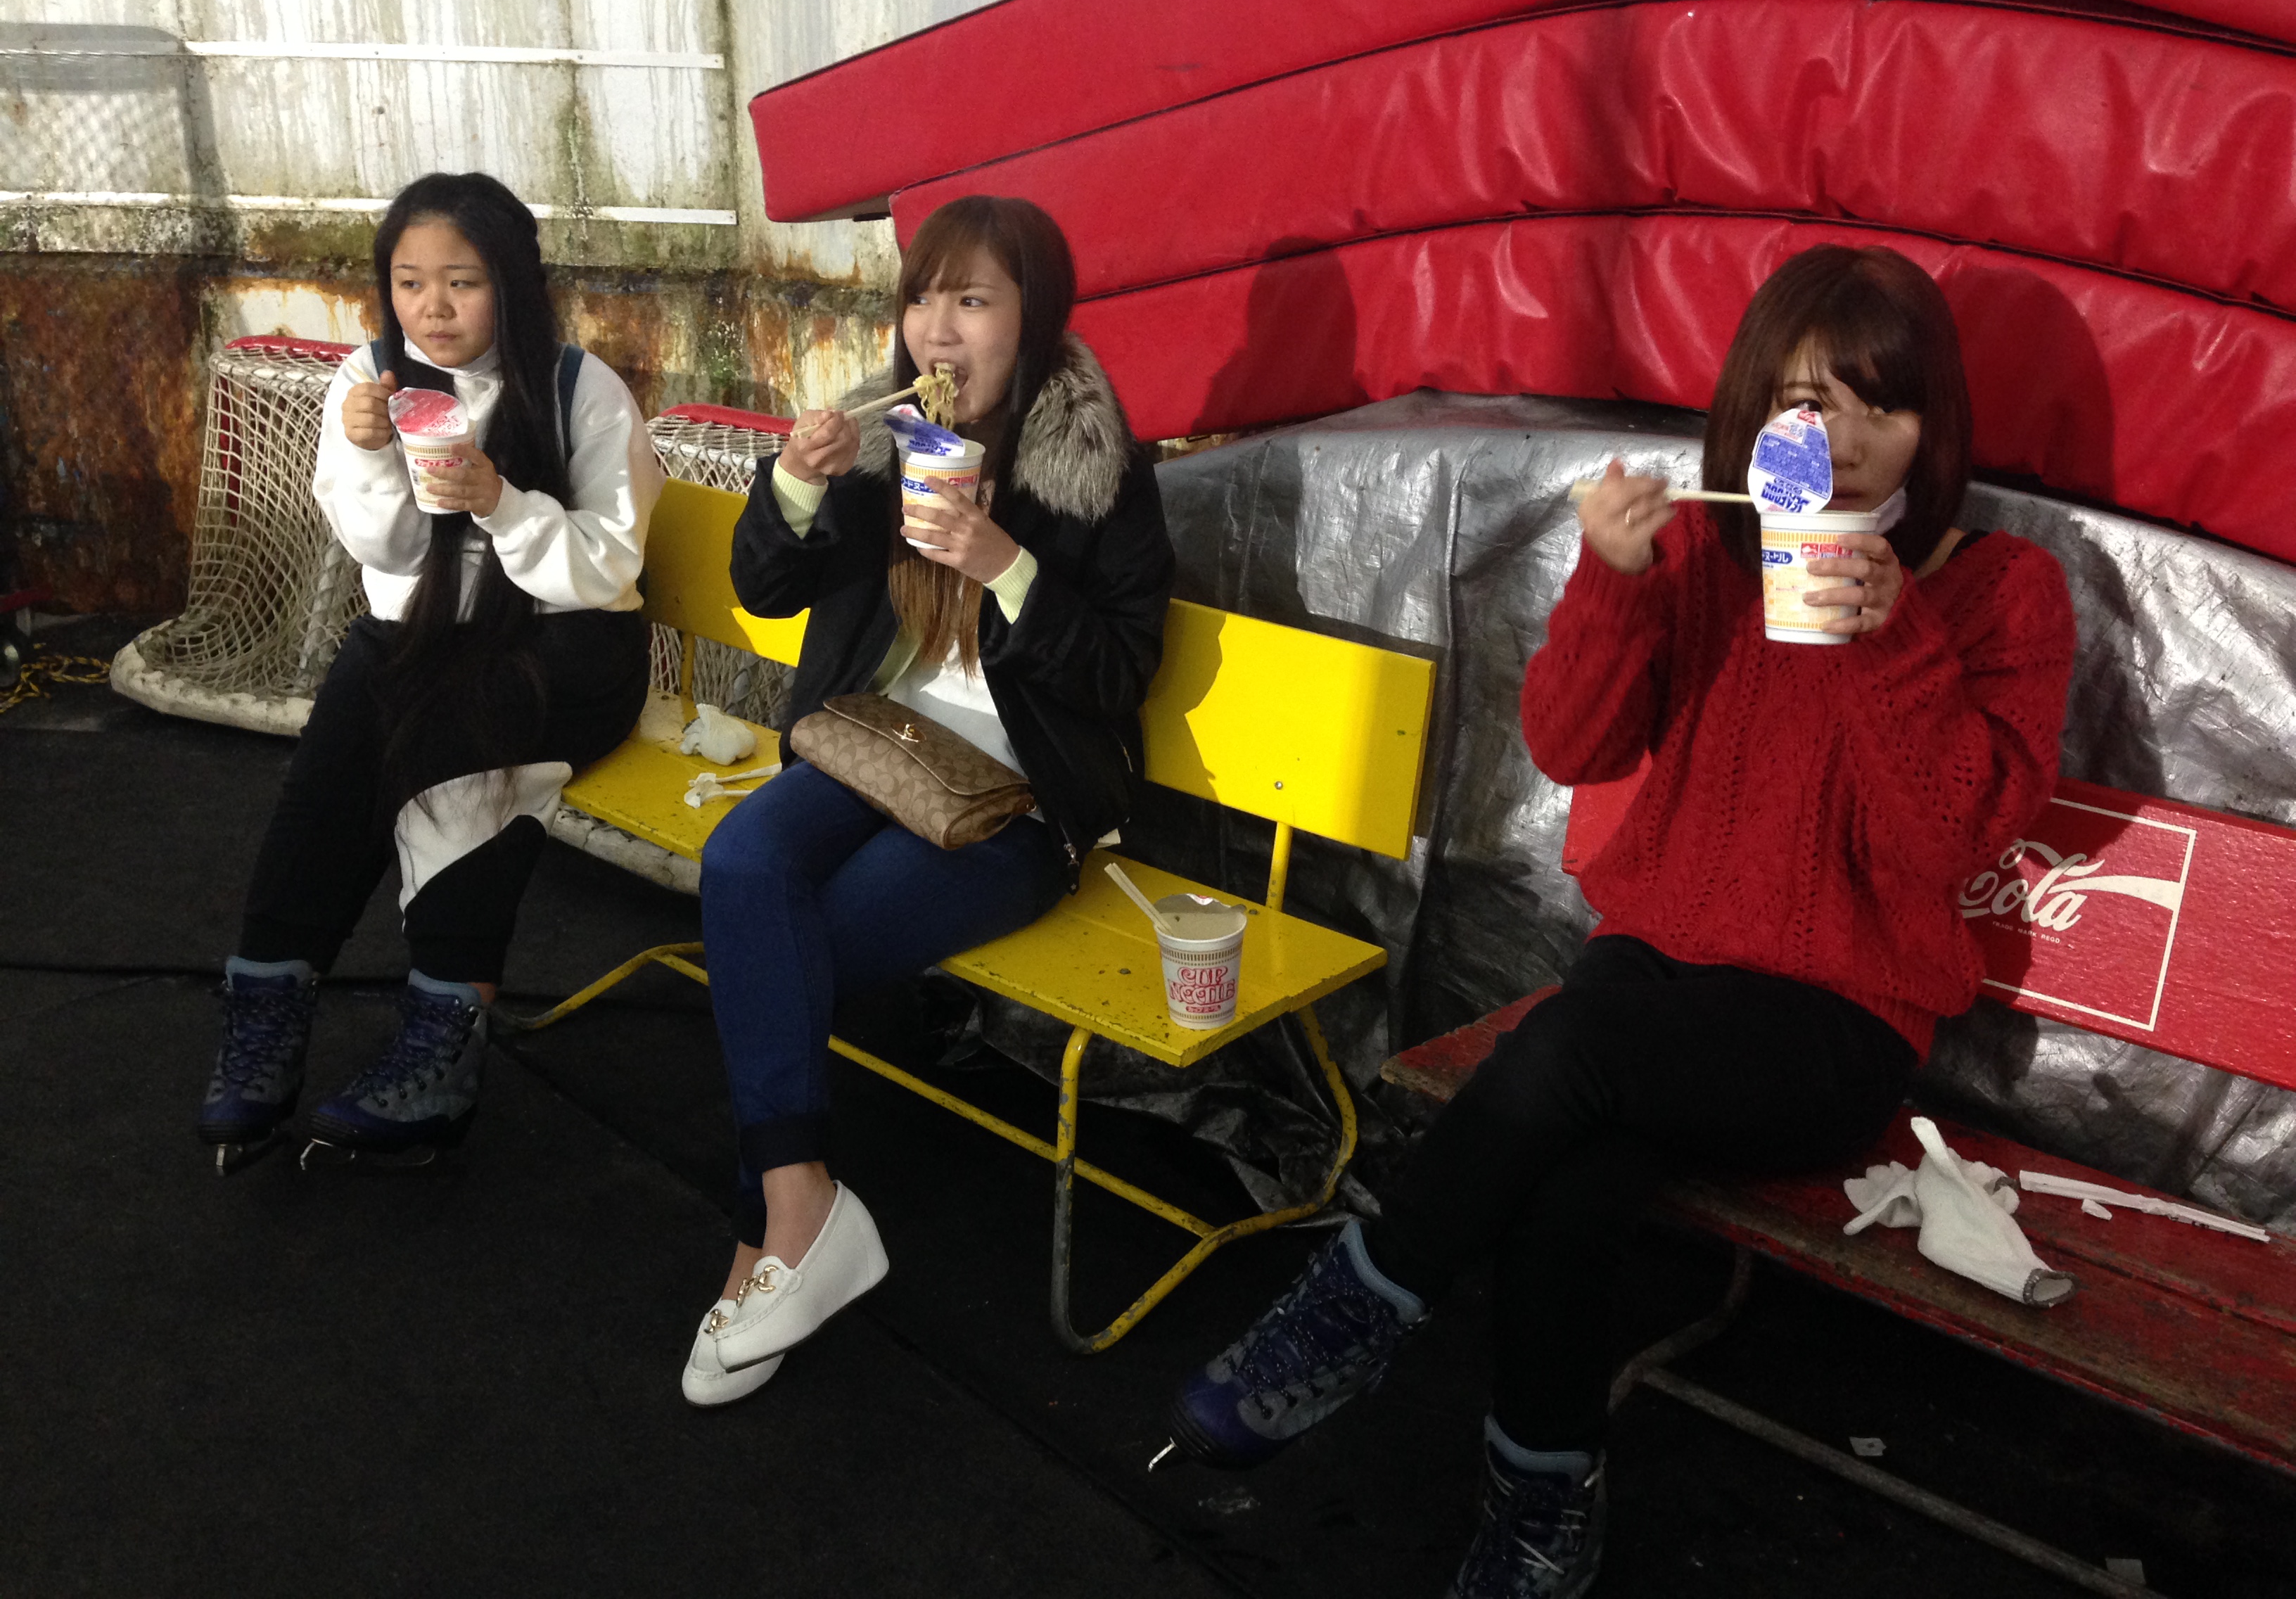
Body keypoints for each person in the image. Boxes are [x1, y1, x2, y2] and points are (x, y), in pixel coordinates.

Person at [1163, 245, 2077, 1598]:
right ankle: (1543, 1508)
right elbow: (1572, 745)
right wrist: (1610, 578)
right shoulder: (1702, 554)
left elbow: (1958, 838)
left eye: (1884, 407)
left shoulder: (2000, 591)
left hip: (1836, 1024)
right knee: (1568, 1190)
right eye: (1807, 403)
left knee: (1568, 1051)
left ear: (1933, 426)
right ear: (1754, 412)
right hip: (1654, 976)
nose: (1843, 441)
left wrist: (1891, 634)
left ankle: (1360, 1300)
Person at [681, 196, 1175, 1407]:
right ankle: (802, 1209)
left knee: (792, 950)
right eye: (922, 298)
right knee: (742, 869)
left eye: (973, 300)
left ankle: (763, 1250)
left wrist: (1007, 566)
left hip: (1018, 800)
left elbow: (1120, 673)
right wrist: (796, 486)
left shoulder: (1098, 469)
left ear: (1032, 318)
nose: (937, 330)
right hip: (874, 745)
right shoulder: (882, 432)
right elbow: (765, 586)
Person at [196, 172, 663, 1170]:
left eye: (463, 282)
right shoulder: (368, 382)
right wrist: (370, 456)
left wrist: (500, 499)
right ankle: (269, 1002)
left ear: (513, 287)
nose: (433, 309)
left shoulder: (581, 390)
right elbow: (390, 556)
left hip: (569, 648)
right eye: (410, 283)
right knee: (345, 730)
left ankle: (442, 1042)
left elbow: (608, 569)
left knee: (445, 745)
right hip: (432, 640)